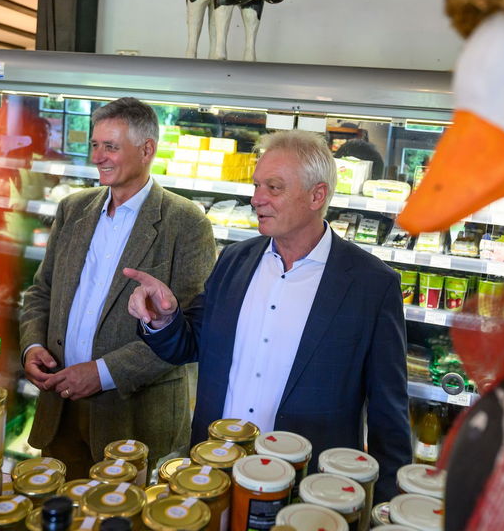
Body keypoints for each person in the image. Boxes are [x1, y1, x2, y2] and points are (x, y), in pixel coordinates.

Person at [125, 130, 411, 502]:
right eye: (257, 185)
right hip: (215, 473)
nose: (256, 198)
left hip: (309, 491)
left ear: (317, 195)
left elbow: (390, 414)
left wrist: (387, 506)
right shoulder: (233, 260)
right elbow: (191, 343)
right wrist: (163, 319)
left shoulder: (373, 285)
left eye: (273, 188)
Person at [20, 97, 215, 479]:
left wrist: (103, 372)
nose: (98, 157)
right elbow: (40, 291)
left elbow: (193, 332)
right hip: (60, 407)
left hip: (134, 418)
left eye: (111, 146)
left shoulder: (186, 222)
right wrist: (32, 345)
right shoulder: (73, 209)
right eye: (95, 145)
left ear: (147, 150)